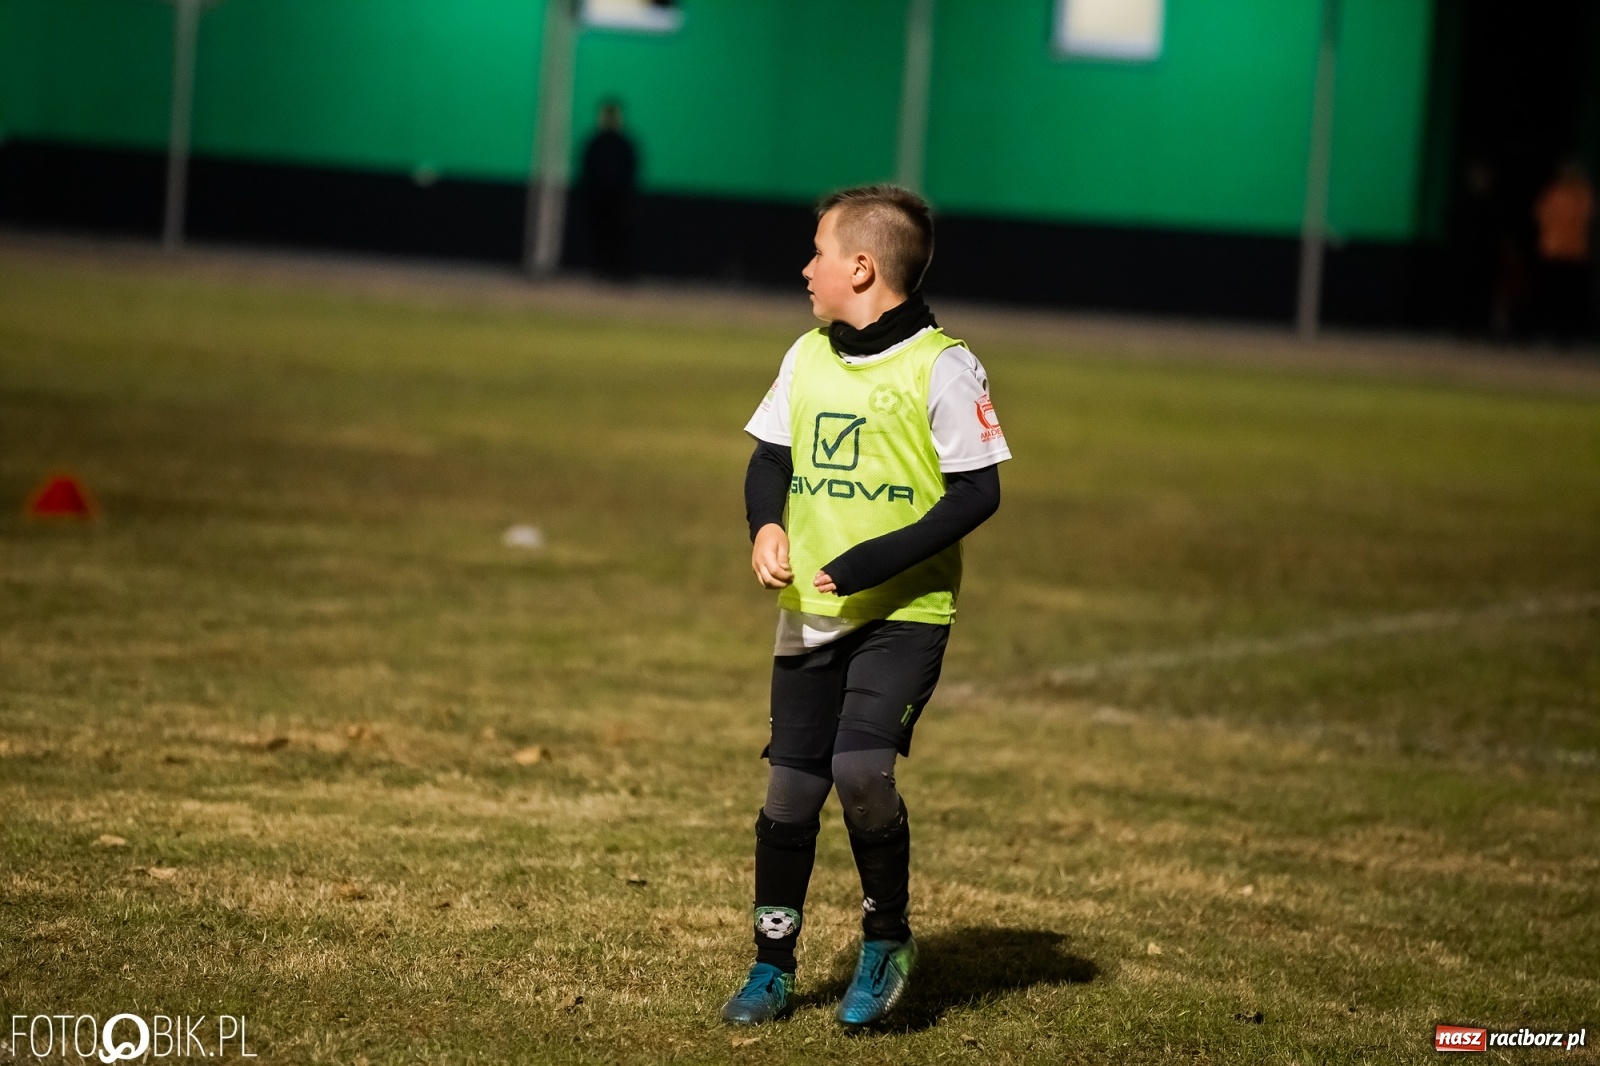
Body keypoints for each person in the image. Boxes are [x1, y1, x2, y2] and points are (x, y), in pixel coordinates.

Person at [721, 184, 1012, 1029]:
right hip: (810, 610)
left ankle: (886, 938)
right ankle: (772, 964)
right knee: (788, 793)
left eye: (817, 251)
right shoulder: (808, 354)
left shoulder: (942, 364)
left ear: (862, 266)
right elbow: (767, 459)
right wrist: (766, 525)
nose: (804, 267)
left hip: (906, 611)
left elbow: (976, 494)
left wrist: (873, 560)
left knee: (859, 770)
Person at [1533, 159, 1594, 343]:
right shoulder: (1553, 192)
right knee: (1550, 294)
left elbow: (1587, 217)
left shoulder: (1583, 193)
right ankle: (1548, 331)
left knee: (1570, 297)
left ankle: (1567, 334)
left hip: (1574, 252)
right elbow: (1540, 214)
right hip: (1552, 250)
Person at [578, 98, 638, 280]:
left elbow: (631, 171)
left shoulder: (624, 143)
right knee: (599, 236)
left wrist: (628, 198)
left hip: (618, 199)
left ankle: (617, 273)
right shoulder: (595, 142)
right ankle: (600, 272)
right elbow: (586, 169)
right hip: (598, 198)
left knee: (618, 237)